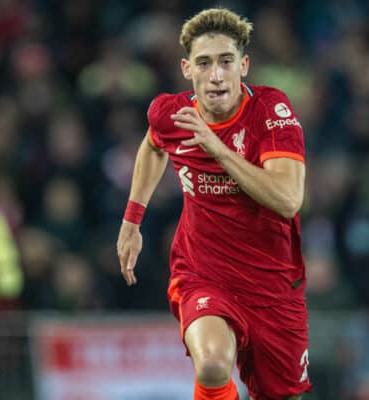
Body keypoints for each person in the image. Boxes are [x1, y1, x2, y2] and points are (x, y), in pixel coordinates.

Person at [116, 7, 311, 400]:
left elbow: (288, 200)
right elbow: (153, 145)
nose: (216, 75)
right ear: (187, 68)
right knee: (211, 365)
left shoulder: (271, 113)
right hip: (204, 274)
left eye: (226, 62)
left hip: (272, 283)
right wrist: (132, 220)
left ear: (244, 65)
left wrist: (218, 149)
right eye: (204, 63)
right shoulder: (171, 113)